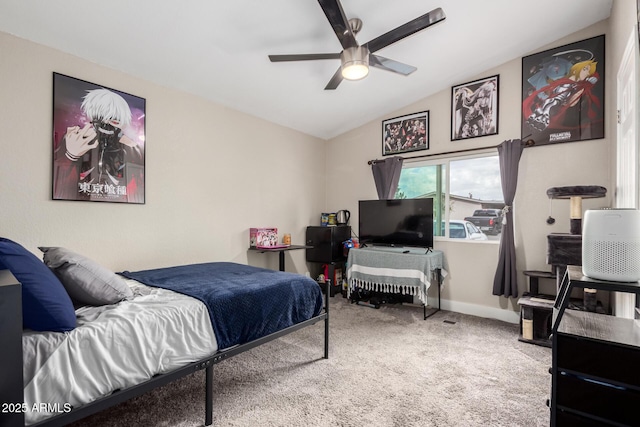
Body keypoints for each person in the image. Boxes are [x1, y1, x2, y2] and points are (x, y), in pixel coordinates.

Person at [53, 88, 144, 201]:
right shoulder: (76, 139)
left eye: (113, 121)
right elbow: (56, 185)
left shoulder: (132, 150)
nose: (106, 125)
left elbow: (139, 190)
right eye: (101, 119)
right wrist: (70, 156)